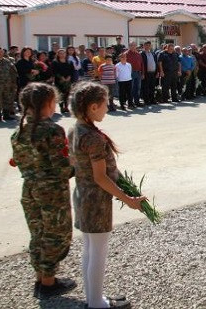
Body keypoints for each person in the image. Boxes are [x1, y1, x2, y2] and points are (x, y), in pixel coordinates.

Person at [68, 81, 144, 309]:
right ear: (92, 107)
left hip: (83, 195)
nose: (107, 108)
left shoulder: (76, 129)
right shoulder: (92, 137)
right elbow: (101, 177)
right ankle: (96, 304)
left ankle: (94, 298)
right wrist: (128, 199)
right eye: (104, 104)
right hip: (96, 200)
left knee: (90, 249)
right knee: (98, 251)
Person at [10, 82, 76, 299]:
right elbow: (62, 167)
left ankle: (41, 277)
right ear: (48, 104)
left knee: (38, 233)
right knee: (57, 235)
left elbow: (21, 162)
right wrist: (77, 165)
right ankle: (48, 283)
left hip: (29, 189)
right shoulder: (52, 130)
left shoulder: (18, 132)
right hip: (52, 192)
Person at [51, 49, 75, 114]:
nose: (62, 54)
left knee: (67, 94)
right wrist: (61, 77)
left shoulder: (70, 62)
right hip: (59, 80)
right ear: (58, 54)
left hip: (68, 80)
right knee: (60, 94)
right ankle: (61, 107)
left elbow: (72, 70)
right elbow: (54, 71)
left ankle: (66, 107)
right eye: (60, 53)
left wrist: (69, 76)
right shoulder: (55, 62)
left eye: (63, 53)